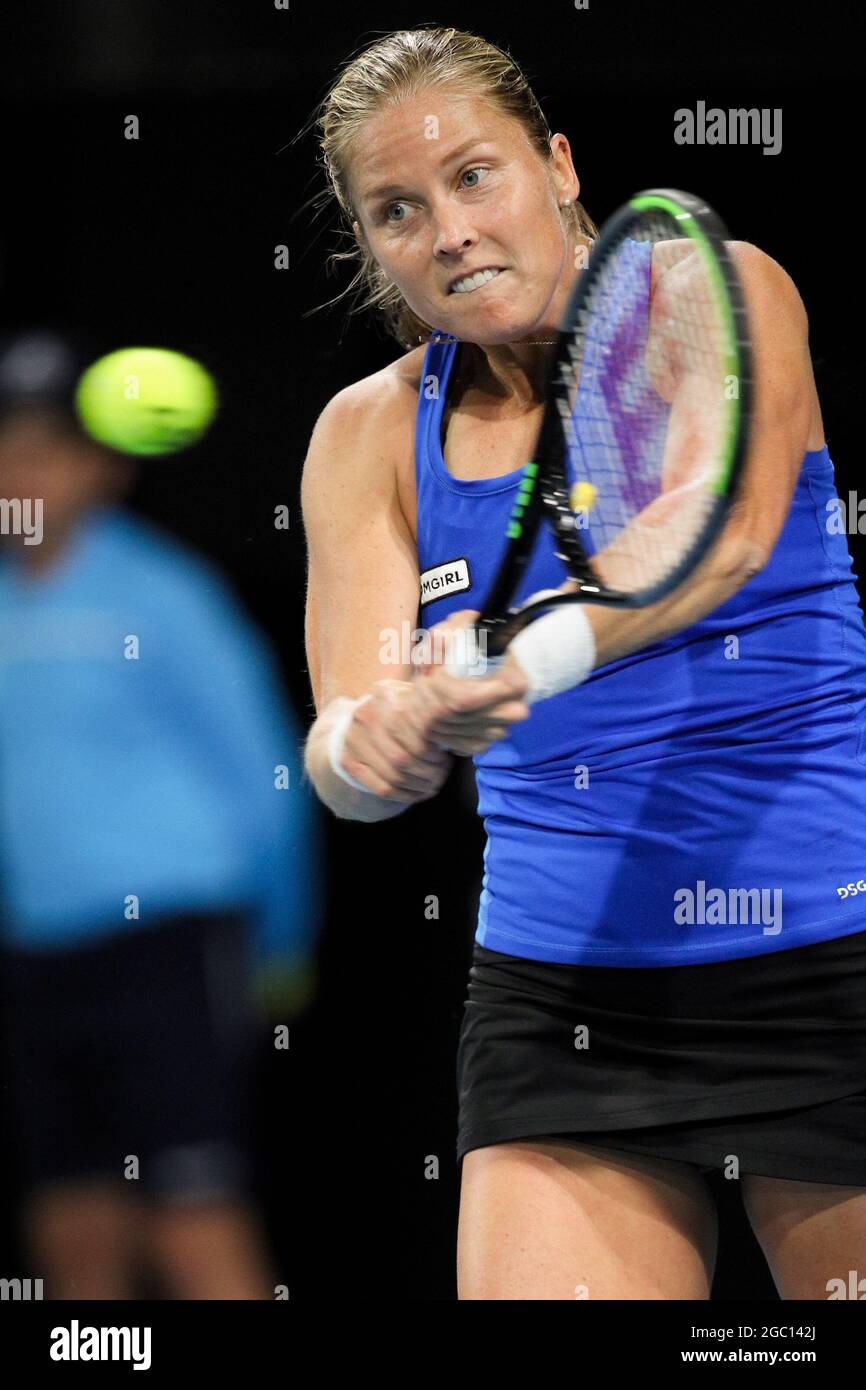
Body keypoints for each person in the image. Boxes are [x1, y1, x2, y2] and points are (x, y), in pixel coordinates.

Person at [300, 26, 866, 1299]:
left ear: (556, 165)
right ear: (370, 245)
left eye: (472, 177)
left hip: (825, 958)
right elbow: (347, 740)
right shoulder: (364, 435)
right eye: (396, 209)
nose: (446, 230)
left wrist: (515, 653)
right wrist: (374, 745)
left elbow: (706, 534)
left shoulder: (713, 290)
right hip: (560, 998)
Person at [0, 328, 321, 1298]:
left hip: (171, 951)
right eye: (4, 446)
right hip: (33, 961)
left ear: (100, 467)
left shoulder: (165, 595)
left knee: (195, 1225)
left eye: (44, 448)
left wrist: (283, 945)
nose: (20, 470)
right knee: (72, 1236)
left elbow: (272, 774)